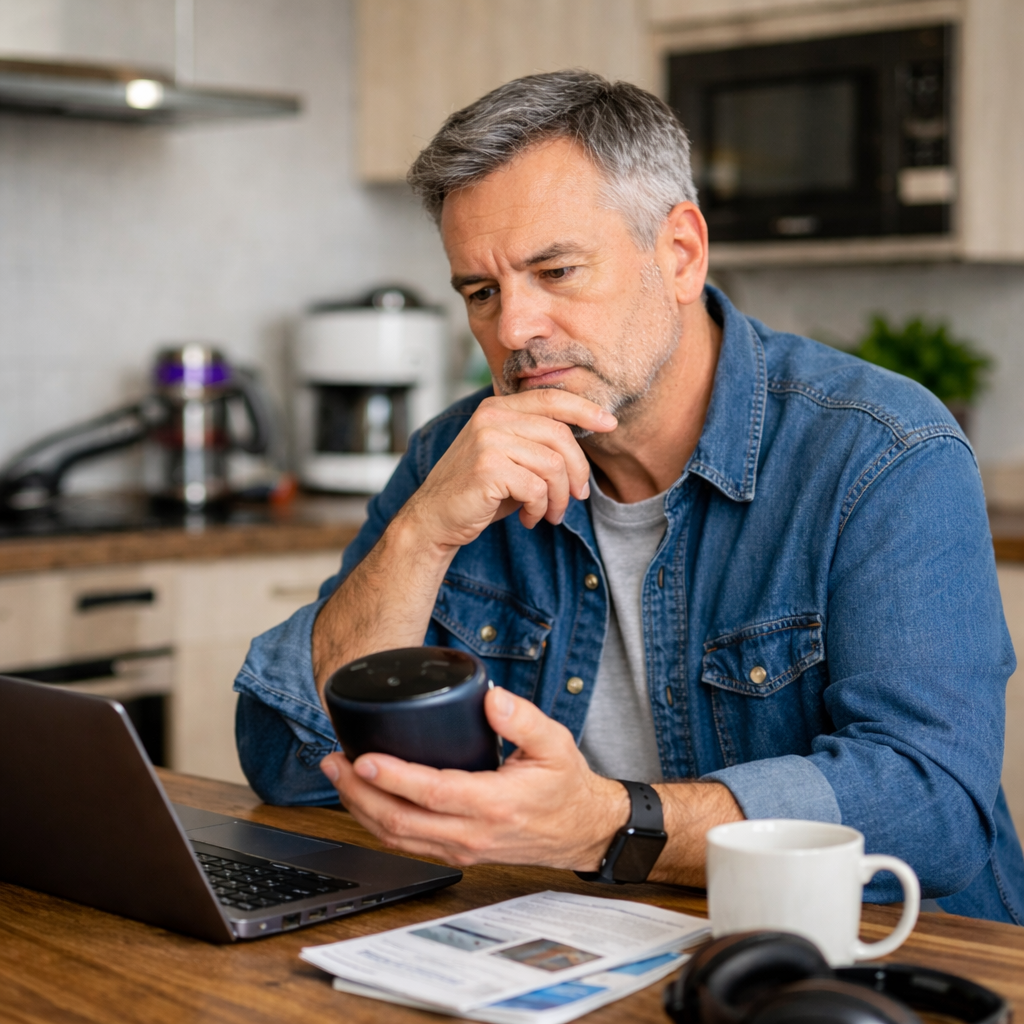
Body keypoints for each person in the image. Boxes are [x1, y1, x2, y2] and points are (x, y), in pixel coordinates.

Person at [234, 70, 1023, 923]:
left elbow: (933, 803)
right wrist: (418, 536)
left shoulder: (882, 452)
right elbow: (287, 764)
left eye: (557, 270)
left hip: (880, 954)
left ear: (679, 253)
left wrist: (607, 825)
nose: (514, 329)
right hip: (577, 942)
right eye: (481, 292)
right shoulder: (456, 456)